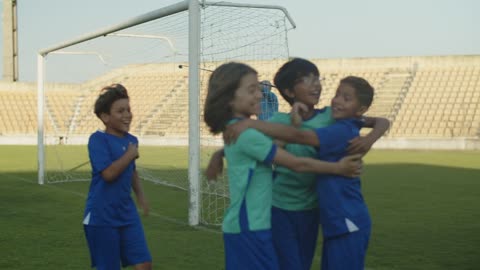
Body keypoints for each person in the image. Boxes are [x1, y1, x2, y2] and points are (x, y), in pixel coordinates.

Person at [209, 58, 389, 270]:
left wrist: (369, 139)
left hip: (311, 208)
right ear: (290, 91)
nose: (315, 84)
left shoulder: (333, 116)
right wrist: (220, 154)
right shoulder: (275, 122)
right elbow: (250, 144)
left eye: (317, 78)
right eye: (307, 80)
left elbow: (381, 121)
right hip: (279, 207)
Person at [83, 84, 152, 270]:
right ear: (105, 117)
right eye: (120, 111)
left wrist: (141, 197)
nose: (127, 115)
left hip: (127, 213)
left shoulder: (132, 140)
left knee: (144, 263)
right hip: (101, 216)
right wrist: (129, 154)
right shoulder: (98, 140)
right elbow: (108, 174)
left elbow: (132, 171)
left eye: (128, 109)